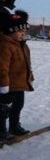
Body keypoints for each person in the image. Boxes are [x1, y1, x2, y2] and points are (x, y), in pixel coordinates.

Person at [0, 10, 34, 140]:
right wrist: (3, 85)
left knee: (18, 106)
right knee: (3, 110)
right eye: (20, 31)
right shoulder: (5, 46)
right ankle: (1, 131)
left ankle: (14, 126)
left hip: (20, 84)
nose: (23, 34)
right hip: (7, 86)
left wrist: (30, 77)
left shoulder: (23, 45)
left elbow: (26, 64)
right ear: (11, 31)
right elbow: (2, 68)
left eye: (25, 32)